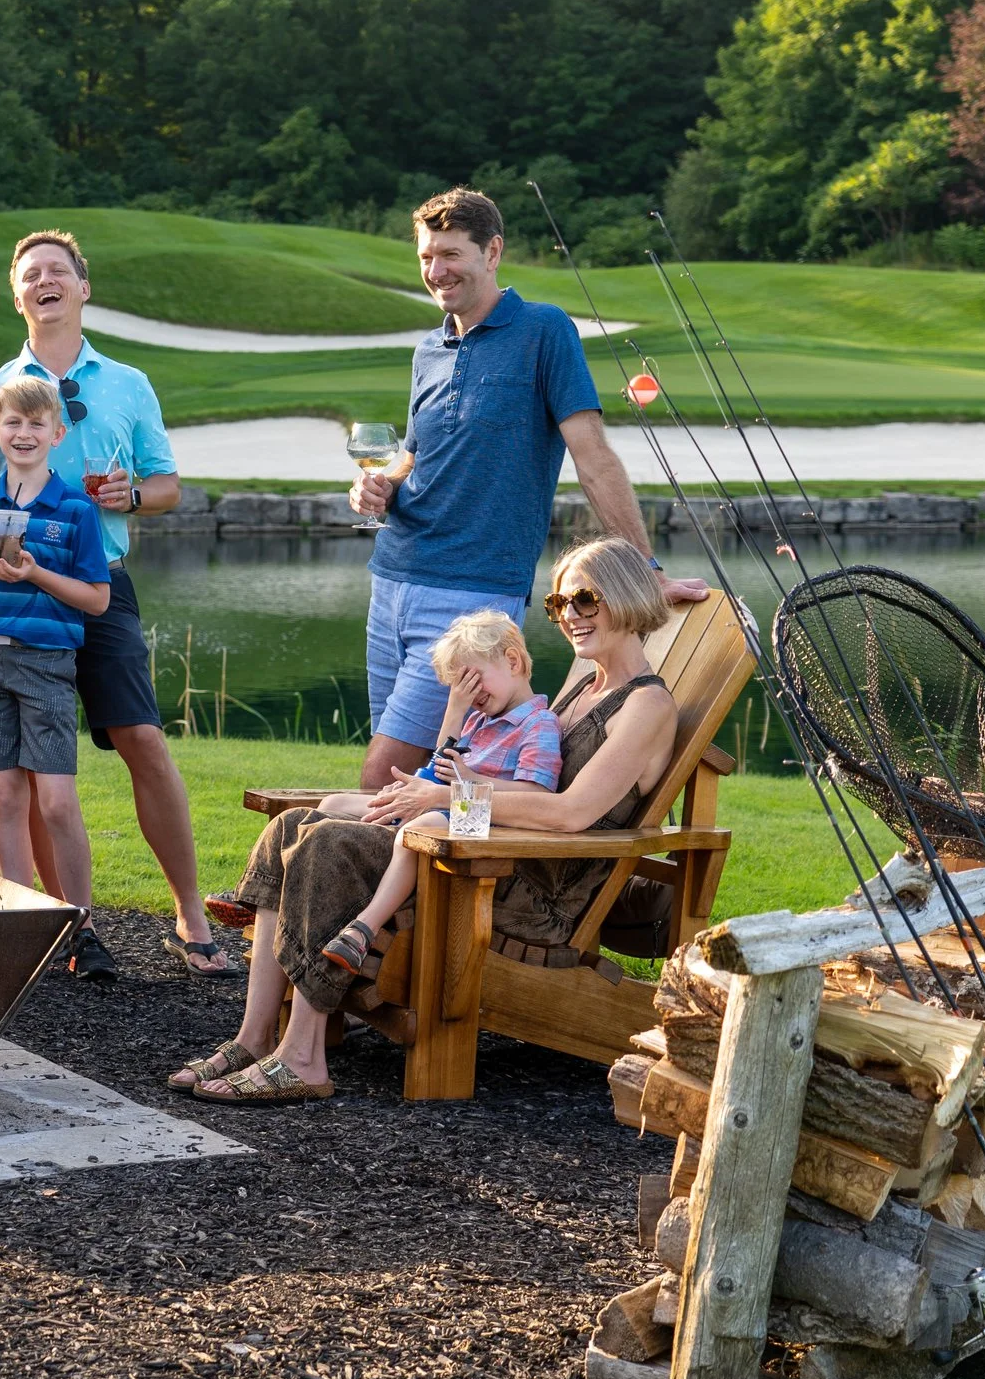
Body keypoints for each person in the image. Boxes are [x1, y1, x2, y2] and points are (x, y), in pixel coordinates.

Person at [170, 538, 678, 1102]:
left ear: (627, 596)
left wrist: (444, 801)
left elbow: (572, 811)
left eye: (585, 600)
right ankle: (255, 1035)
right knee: (293, 826)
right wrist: (441, 794)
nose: (570, 618)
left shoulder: (646, 705)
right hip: (484, 850)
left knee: (331, 845)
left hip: (523, 888)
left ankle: (303, 1058)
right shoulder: (585, 682)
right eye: (558, 605)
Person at [347, 187, 706, 793]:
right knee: (401, 780)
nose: (437, 272)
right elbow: (415, 452)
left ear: (493, 251)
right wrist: (378, 486)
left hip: (470, 593)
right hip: (392, 579)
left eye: (451, 254)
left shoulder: (544, 331)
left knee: (382, 774)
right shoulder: (429, 348)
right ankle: (402, 889)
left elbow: (594, 458)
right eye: (427, 257)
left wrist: (643, 568)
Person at [0, 229, 234, 981]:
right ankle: (58, 925)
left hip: (97, 582)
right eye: (30, 274)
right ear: (18, 296)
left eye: (58, 271)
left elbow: (167, 485)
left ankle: (191, 914)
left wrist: (131, 494)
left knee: (142, 736)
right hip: (11, 599)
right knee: (30, 774)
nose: (45, 281)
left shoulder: (128, 384)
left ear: (83, 287)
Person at [0, 375, 117, 977]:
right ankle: (23, 925)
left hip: (46, 663)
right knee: (8, 795)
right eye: (12, 424)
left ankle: (81, 924)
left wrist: (38, 574)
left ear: (57, 434)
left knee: (59, 802)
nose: (23, 433)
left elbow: (96, 600)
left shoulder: (75, 509)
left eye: (35, 424)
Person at [309, 609, 562, 976]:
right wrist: (454, 712)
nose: (470, 695)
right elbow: (439, 771)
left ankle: (364, 928)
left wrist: (471, 779)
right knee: (333, 804)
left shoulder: (539, 725)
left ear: (512, 661)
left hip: (484, 823)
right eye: (460, 687)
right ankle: (290, 885)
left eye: (473, 681)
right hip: (442, 805)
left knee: (420, 827)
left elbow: (535, 793)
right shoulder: (478, 719)